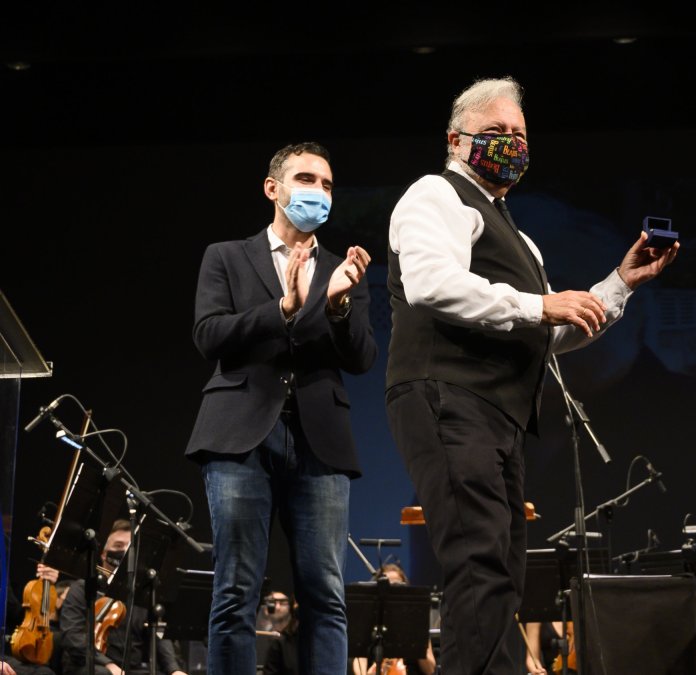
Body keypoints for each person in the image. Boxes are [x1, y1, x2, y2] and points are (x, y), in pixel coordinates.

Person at [384, 76, 678, 675]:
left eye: (519, 134)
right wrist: (540, 304)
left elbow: (547, 334)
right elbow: (430, 283)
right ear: (456, 140)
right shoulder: (434, 196)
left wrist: (617, 285)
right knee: (480, 564)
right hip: (446, 398)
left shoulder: (521, 240)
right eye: (495, 133)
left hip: (498, 417)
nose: (511, 144)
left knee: (502, 571)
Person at [186, 141, 376, 675]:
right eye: (307, 179)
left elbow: (361, 357)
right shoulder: (226, 256)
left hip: (320, 440)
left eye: (327, 184)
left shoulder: (344, 269)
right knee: (236, 591)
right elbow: (209, 335)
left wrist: (337, 306)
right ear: (274, 189)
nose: (319, 192)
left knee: (326, 595)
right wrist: (282, 309)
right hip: (239, 437)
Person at [58, 521, 187, 675]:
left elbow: (157, 636)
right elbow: (72, 636)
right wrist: (108, 664)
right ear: (103, 552)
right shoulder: (82, 588)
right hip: (89, 665)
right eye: (118, 546)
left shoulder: (140, 594)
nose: (124, 553)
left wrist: (174, 669)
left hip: (131, 669)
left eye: (128, 548)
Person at [350, 563, 437, 675]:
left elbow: (430, 670)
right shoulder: (368, 621)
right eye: (388, 586)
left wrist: (416, 638)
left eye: (397, 586)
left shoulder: (415, 621)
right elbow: (359, 668)